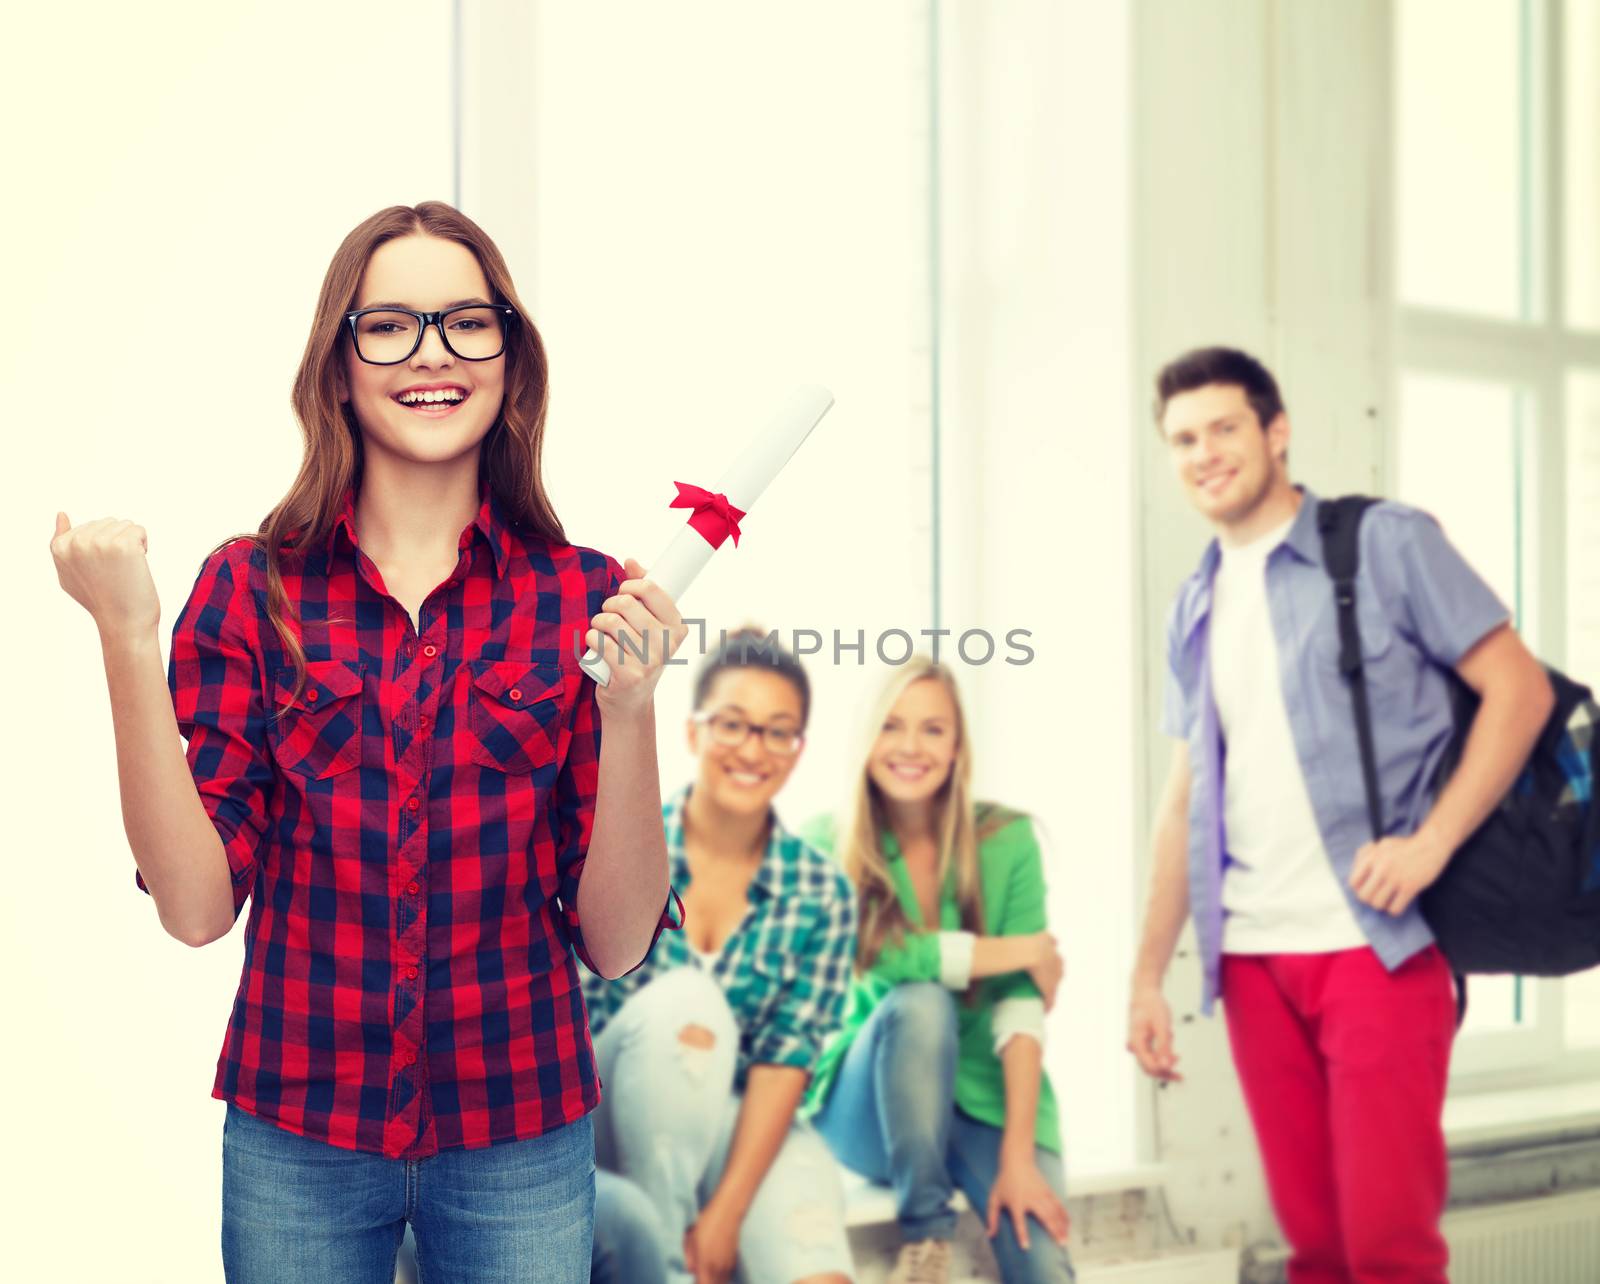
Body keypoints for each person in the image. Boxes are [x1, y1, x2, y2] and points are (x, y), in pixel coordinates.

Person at [49, 201, 687, 1284]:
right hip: (297, 1131)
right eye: (387, 325)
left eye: (466, 324)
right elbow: (196, 910)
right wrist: (124, 633)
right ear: (336, 366)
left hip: (520, 1131)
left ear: (510, 362)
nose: (431, 354)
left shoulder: (583, 597)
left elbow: (617, 943)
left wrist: (629, 713)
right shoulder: (249, 590)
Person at [1127, 346, 1554, 1284]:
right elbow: (1185, 797)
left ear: (1276, 433)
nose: (1205, 453)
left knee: (1387, 1249)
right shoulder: (1194, 602)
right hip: (1251, 958)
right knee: (1315, 1250)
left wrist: (1431, 842)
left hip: (1377, 946)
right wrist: (1149, 974)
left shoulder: (1383, 545)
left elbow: (1518, 693)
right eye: (1183, 439)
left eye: (1225, 427)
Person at [582, 628, 858, 1284]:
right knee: (689, 1006)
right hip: (603, 1115)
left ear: (797, 750)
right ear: (693, 732)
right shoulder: (622, 845)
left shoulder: (820, 892)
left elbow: (785, 1061)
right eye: (733, 724)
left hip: (738, 1124)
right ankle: (668, 1265)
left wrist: (729, 1211)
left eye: (776, 732)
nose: (752, 750)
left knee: (817, 1267)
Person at [805, 657, 1076, 1284]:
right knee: (920, 1002)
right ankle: (926, 1242)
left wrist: (1016, 1156)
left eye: (933, 729)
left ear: (957, 746)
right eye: (892, 725)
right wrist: (1025, 948)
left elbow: (1020, 1002)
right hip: (867, 1103)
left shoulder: (1007, 839)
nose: (910, 747)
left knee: (1039, 1257)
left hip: (984, 1100)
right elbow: (883, 954)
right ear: (867, 738)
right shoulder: (827, 842)